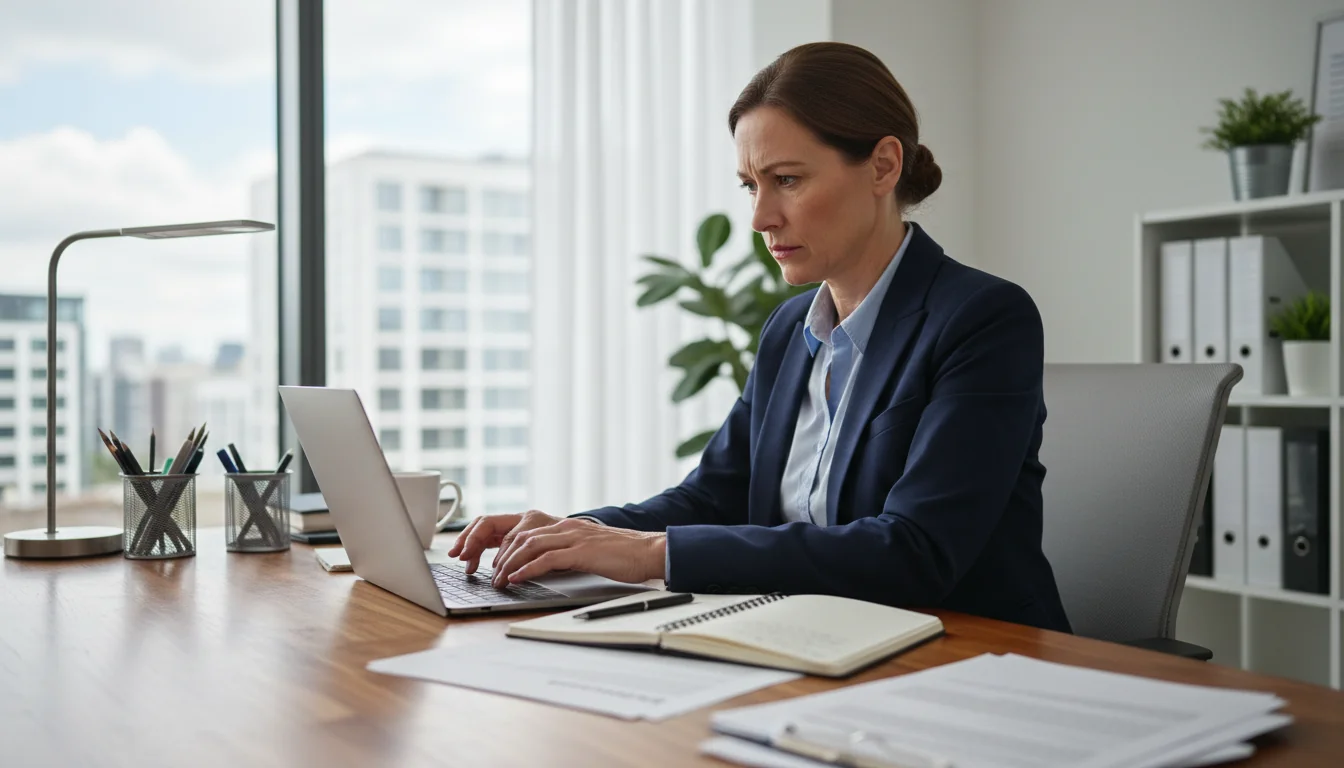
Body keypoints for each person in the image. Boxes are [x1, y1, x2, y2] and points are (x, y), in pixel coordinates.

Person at [450, 41, 1071, 632]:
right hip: (810, 636)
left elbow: (915, 551)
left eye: (788, 180)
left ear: (883, 166)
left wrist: (646, 554)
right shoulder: (787, 329)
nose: (760, 218)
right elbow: (712, 498)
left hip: (966, 654)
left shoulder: (983, 318)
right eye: (751, 185)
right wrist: (566, 534)